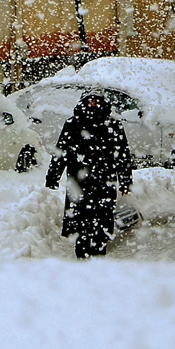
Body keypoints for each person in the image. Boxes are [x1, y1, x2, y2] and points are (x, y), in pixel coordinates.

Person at [45, 90, 134, 258]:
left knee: (102, 224)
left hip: (104, 183)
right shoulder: (73, 124)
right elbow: (61, 152)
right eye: (90, 101)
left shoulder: (113, 125)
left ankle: (98, 255)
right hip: (79, 184)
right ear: (83, 103)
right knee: (80, 224)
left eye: (97, 101)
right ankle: (82, 256)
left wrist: (125, 182)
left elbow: (123, 155)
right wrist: (52, 177)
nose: (93, 105)